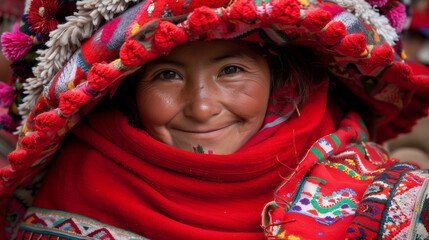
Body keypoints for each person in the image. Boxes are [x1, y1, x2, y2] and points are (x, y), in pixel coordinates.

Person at [0, 0, 428, 239]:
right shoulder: (74, 188)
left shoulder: (383, 195)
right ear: (126, 89)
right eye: (167, 75)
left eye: (232, 70)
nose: (202, 108)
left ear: (281, 80)